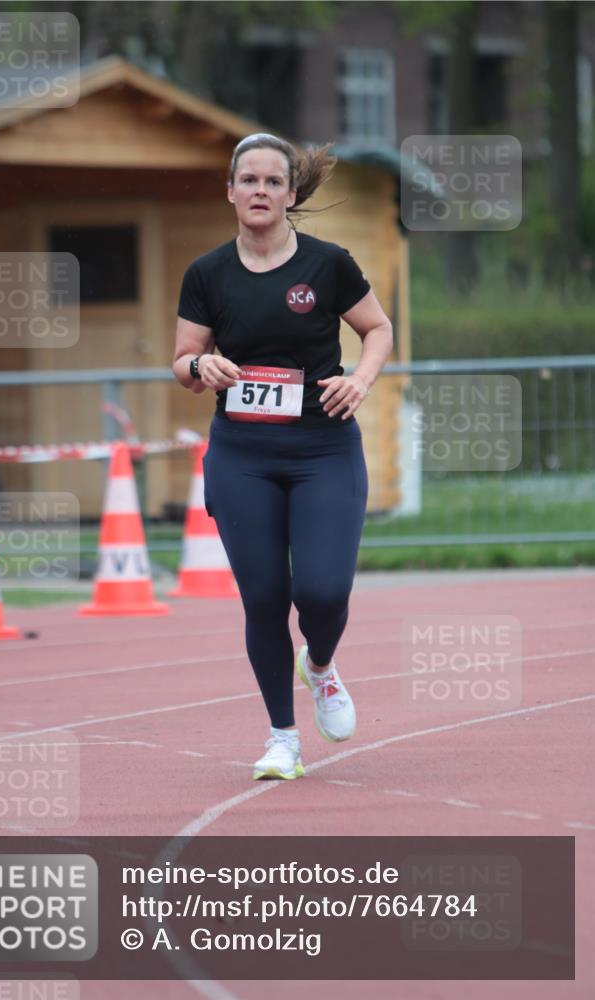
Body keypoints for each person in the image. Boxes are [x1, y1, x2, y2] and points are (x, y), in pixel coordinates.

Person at [173, 132, 393, 781]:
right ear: (231, 191)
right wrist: (201, 366)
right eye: (249, 180)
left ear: (290, 194)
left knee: (322, 591)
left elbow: (377, 329)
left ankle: (319, 665)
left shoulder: (328, 265)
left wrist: (360, 378)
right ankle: (282, 739)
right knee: (264, 598)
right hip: (242, 454)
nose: (260, 191)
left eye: (273, 181)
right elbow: (182, 360)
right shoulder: (207, 273)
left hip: (323, 447)